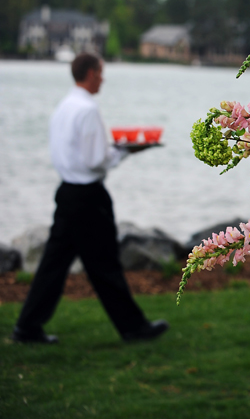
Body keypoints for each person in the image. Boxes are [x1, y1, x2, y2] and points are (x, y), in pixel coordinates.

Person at [11, 53, 168, 344]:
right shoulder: (88, 109)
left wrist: (115, 150)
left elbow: (73, 152)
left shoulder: (64, 107)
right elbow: (96, 160)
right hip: (88, 198)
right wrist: (125, 150)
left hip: (66, 193)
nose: (103, 79)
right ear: (92, 73)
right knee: (105, 264)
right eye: (101, 72)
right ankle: (133, 328)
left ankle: (27, 327)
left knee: (53, 265)